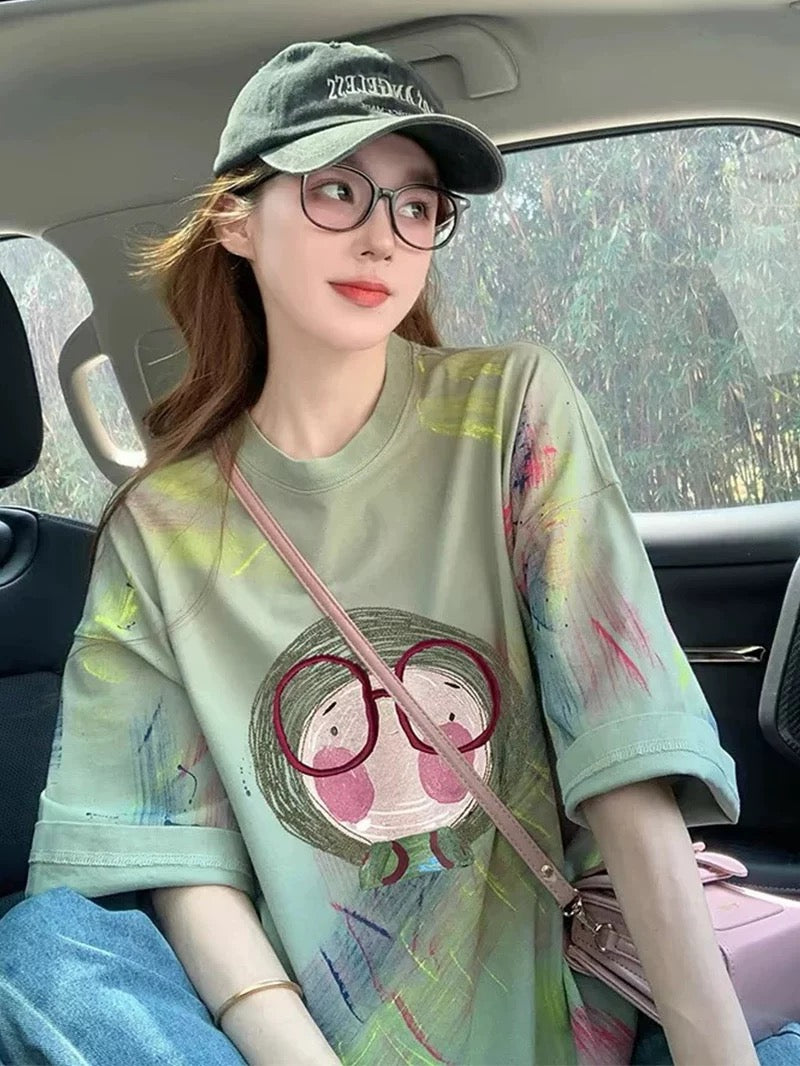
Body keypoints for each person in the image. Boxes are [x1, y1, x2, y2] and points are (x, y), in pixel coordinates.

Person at [0, 38, 797, 1066]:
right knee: (46, 950)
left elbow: (621, 742)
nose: (383, 236)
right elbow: (176, 856)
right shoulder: (160, 528)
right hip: (298, 1036)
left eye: (415, 205)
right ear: (236, 221)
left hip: (574, 1013)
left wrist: (712, 1050)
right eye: (336, 190)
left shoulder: (510, 409)